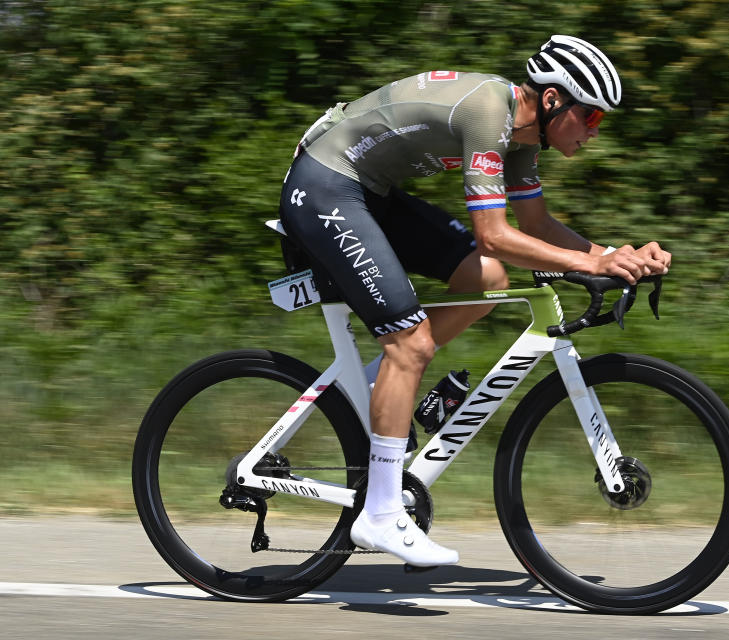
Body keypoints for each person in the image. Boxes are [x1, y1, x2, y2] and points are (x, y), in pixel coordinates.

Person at [277, 35, 671, 567]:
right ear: (554, 101)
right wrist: (591, 264)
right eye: (593, 118)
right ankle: (380, 513)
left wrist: (613, 255)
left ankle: (379, 382)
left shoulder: (524, 138)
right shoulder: (491, 115)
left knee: (487, 279)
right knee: (412, 342)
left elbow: (536, 228)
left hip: (369, 193)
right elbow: (494, 233)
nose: (595, 133)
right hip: (325, 187)